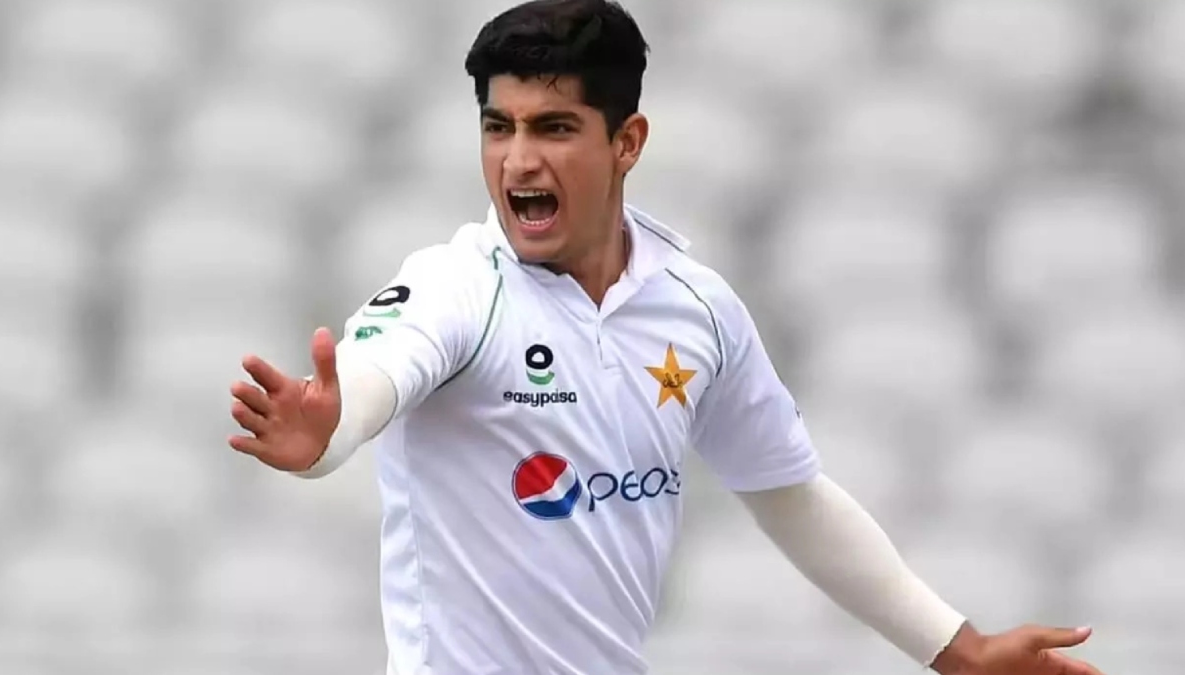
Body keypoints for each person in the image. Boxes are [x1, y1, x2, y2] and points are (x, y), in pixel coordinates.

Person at [227, 1, 1106, 673]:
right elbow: (379, 372)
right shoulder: (457, 286)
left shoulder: (696, 307)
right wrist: (328, 435)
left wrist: (960, 650)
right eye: (499, 127)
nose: (518, 160)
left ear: (628, 141)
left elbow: (789, 494)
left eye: (554, 128)